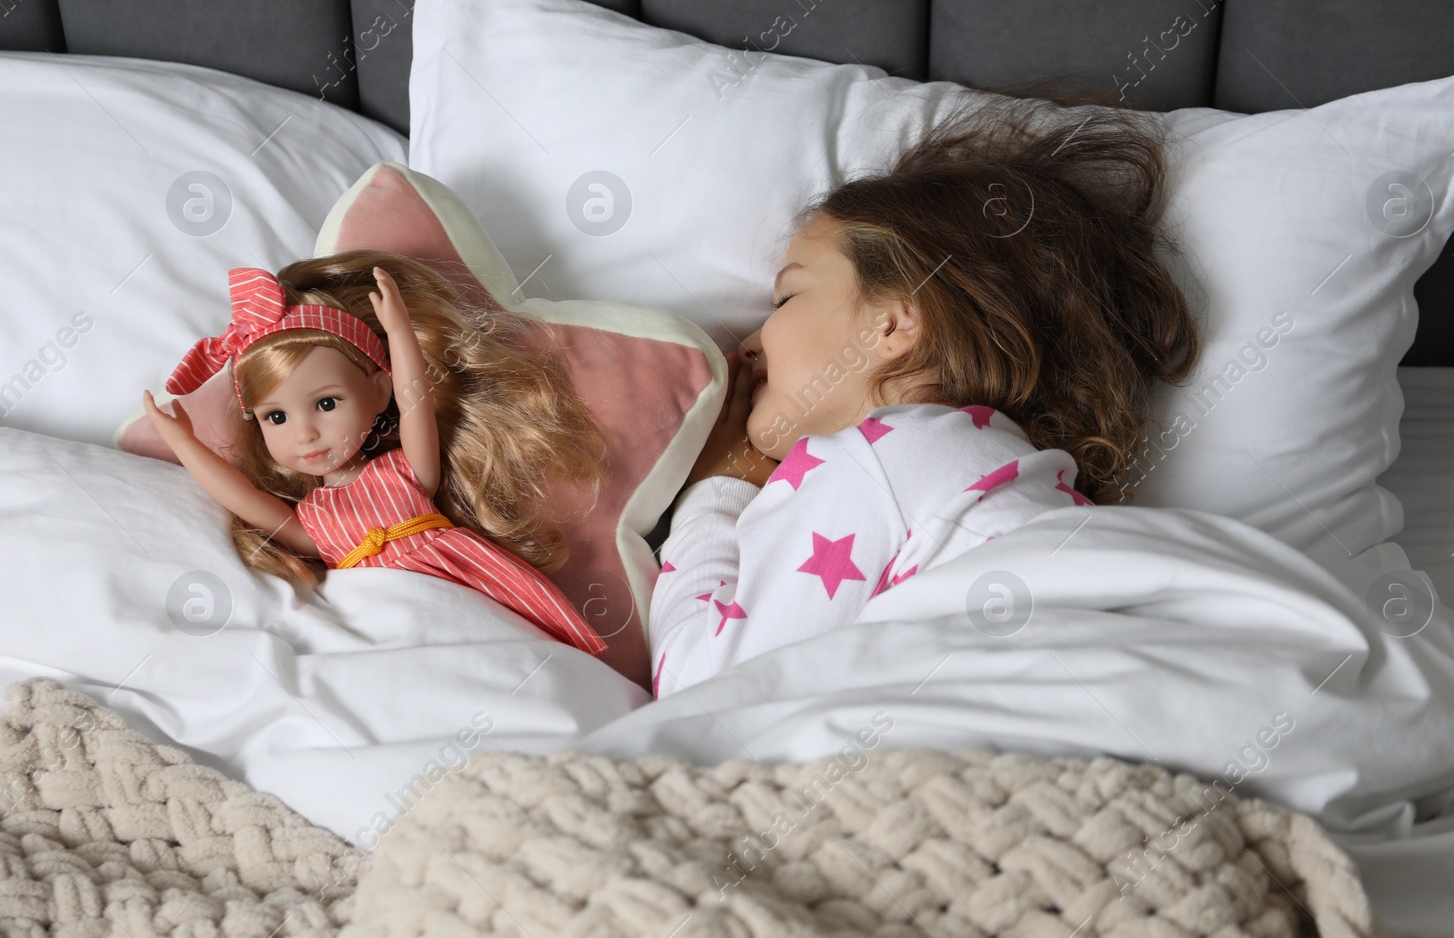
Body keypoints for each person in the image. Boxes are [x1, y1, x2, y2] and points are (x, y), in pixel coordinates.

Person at [650, 91, 1202, 697]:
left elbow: (702, 692)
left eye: (786, 299)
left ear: (891, 324)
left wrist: (717, 491)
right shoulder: (1013, 474)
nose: (750, 343)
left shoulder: (874, 459)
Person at [142, 251, 608, 655]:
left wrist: (399, 332)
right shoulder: (311, 520)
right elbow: (242, 497)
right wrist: (185, 443)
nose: (304, 434)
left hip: (461, 586)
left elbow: (415, 401)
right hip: (376, 611)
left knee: (504, 648)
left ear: (379, 389)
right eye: (276, 417)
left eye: (327, 404)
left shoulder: (406, 471)